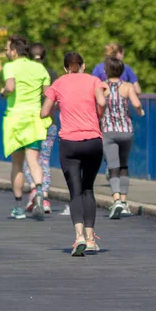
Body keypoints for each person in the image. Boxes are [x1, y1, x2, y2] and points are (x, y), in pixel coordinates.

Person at [41, 52, 107, 256]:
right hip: (92, 141)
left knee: (75, 191)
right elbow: (102, 102)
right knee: (88, 188)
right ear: (83, 65)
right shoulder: (94, 80)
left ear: (65, 68)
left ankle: (78, 236)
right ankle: (90, 238)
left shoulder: (59, 84)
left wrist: (60, 106)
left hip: (69, 143)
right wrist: (97, 115)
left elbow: (44, 112)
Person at [0, 35, 51, 220]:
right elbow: (48, 94)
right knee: (34, 161)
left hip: (15, 119)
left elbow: (10, 87)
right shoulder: (39, 68)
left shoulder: (10, 66)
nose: (6, 52)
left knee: (17, 164)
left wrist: (3, 92)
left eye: (7, 49)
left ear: (14, 51)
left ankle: (19, 206)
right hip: (35, 119)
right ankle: (39, 192)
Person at [101, 57, 145, 219]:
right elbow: (137, 104)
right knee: (124, 165)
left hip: (108, 131)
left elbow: (98, 105)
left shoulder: (102, 87)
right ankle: (125, 203)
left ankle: (116, 199)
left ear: (106, 70)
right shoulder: (127, 86)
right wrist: (140, 112)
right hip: (126, 131)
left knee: (113, 167)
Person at [24, 43, 59, 214]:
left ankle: (33, 191)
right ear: (44, 56)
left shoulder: (23, 73)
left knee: (29, 160)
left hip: (28, 122)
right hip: (48, 122)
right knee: (44, 160)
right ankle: (44, 197)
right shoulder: (51, 74)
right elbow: (56, 100)